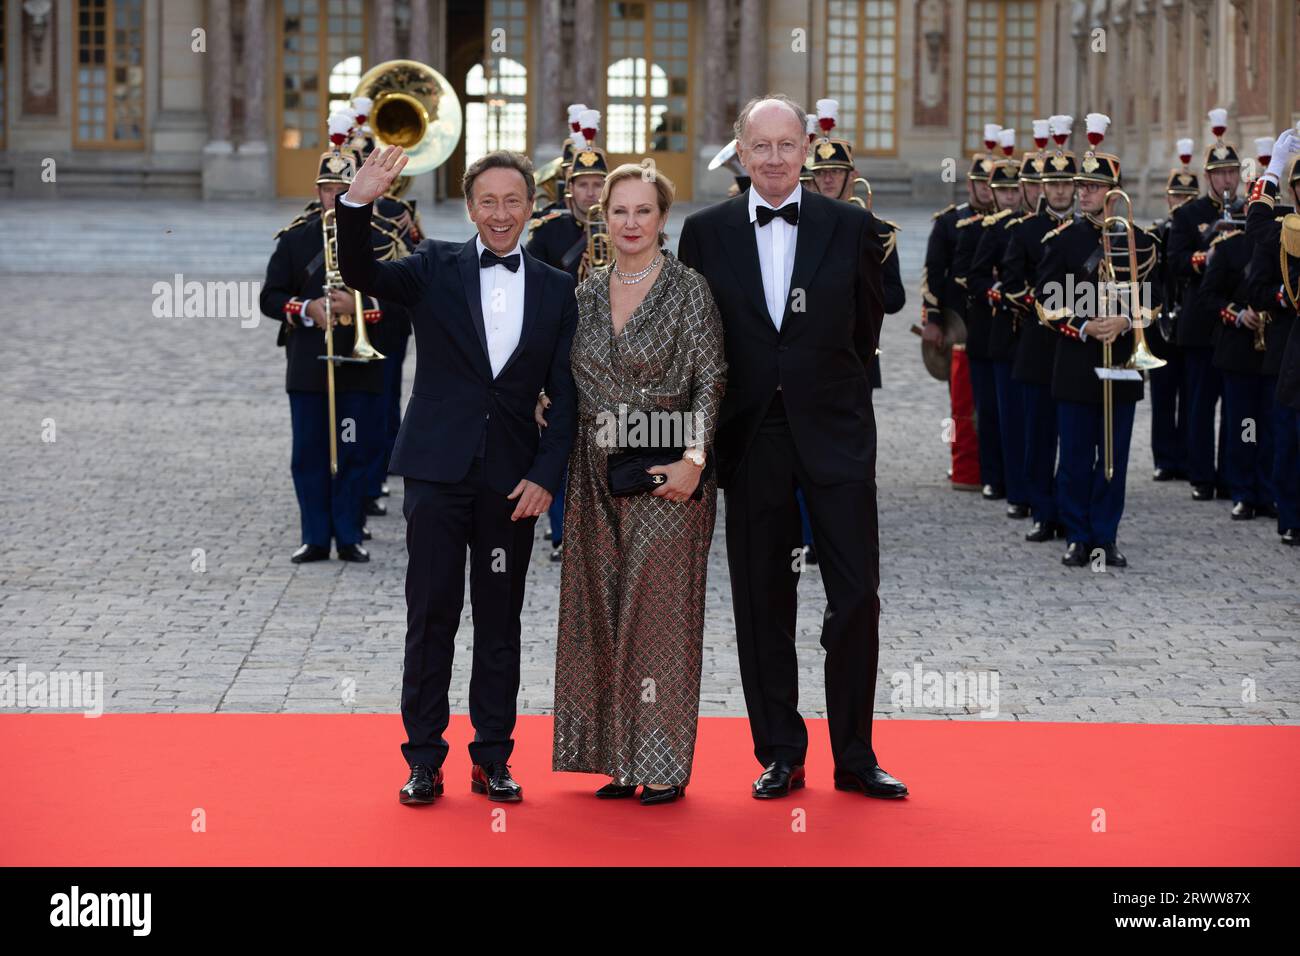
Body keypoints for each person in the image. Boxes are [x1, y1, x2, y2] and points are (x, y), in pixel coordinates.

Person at [677, 94, 908, 800]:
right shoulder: (705, 232)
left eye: (787, 145)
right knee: (761, 600)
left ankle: (856, 756)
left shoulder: (853, 228)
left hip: (836, 435)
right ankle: (780, 750)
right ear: (740, 154)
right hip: (751, 438)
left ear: (807, 150)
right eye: (760, 147)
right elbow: (698, 339)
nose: (774, 159)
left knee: (857, 598)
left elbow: (866, 327)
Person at [335, 145, 578, 806]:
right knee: (431, 616)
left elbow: (569, 395)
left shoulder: (558, 288)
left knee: (500, 625)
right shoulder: (434, 266)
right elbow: (358, 269)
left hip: (512, 485)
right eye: (487, 201)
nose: (500, 214)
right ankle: (423, 759)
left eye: (512, 201)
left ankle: (492, 758)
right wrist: (357, 202)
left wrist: (546, 475)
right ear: (469, 207)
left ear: (531, 207)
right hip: (437, 475)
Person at [548, 163, 726, 806]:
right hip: (592, 467)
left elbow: (712, 379)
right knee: (597, 609)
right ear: (604, 218)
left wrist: (696, 461)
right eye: (618, 211)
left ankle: (661, 761)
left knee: (657, 617)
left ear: (662, 218)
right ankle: (613, 758)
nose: (629, 223)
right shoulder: (586, 291)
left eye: (642, 211)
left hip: (663, 471)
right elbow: (564, 371)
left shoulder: (688, 290)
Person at [259, 136, 399, 564]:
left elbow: (401, 302)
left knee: (352, 450)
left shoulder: (378, 239)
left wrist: (359, 309)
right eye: (328, 190)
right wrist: (307, 308)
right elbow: (270, 297)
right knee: (310, 453)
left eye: (344, 190)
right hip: (308, 364)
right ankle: (315, 535)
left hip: (359, 365)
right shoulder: (295, 240)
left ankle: (350, 533)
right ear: (317, 192)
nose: (336, 198)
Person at [1034, 113, 1160, 568]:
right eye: (1080, 185)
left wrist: (1125, 323)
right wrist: (1087, 324)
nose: (1083, 192)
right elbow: (1045, 302)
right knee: (1074, 457)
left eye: (1092, 186)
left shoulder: (1140, 240)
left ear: (1113, 190)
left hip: (1123, 362)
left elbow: (1156, 299)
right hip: (1076, 361)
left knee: (1114, 459)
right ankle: (1077, 534)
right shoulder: (1061, 241)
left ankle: (1106, 535)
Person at [528, 107, 610, 562]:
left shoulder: (624, 224)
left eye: (599, 184)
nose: (591, 192)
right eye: (583, 184)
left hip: (610, 351)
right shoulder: (547, 232)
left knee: (606, 442)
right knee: (560, 438)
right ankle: (562, 531)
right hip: (562, 347)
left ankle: (599, 528)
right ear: (569, 187)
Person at [1000, 117, 1077, 542]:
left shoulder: (1089, 230)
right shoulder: (1025, 230)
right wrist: (1045, 303)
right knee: (1039, 433)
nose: (1062, 190)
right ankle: (1042, 510)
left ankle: (1069, 509)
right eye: (1054, 183)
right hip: (1038, 343)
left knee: (1075, 435)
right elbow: (1010, 282)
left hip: (1077, 346)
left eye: (1068, 183)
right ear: (1042, 187)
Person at [1171, 108, 1244, 502]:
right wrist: (1206, 255)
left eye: (1232, 172)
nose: (1227, 179)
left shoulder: (1251, 212)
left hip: (1234, 320)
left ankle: (1232, 474)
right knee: (1200, 403)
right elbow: (1175, 263)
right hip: (1200, 320)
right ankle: (1201, 474)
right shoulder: (1189, 214)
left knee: (1235, 408)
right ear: (1209, 178)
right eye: (1220, 174)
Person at [1203, 145, 1275, 522]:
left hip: (1272, 353)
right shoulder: (1230, 248)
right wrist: (1236, 315)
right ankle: (1243, 489)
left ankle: (1268, 490)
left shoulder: (1280, 246)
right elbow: (1209, 296)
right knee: (1245, 426)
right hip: (1240, 352)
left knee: (1272, 427)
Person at [922, 135, 998, 492]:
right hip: (959, 327)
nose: (986, 189)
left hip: (998, 327)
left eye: (991, 183)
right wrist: (933, 321)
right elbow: (933, 275)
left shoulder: (1007, 223)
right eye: (980, 182)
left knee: (994, 403)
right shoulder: (950, 223)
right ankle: (964, 465)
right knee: (962, 405)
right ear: (969, 184)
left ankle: (995, 466)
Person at [968, 139, 1032, 518]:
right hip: (999, 329)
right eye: (1004, 190)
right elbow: (972, 278)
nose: (1010, 197)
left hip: (1034, 331)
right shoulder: (989, 230)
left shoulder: (1033, 228)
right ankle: (997, 476)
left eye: (1016, 189)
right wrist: (1000, 291)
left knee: (1029, 415)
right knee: (997, 412)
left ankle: (1026, 481)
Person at [1245, 128, 1300, 546]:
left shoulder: (1287, 227)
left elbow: (1256, 218)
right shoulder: (1289, 227)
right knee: (1288, 436)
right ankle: (1292, 515)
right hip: (1289, 347)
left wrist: (1274, 169)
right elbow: (1259, 287)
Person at [1147, 141, 1199, 483]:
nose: (1181, 204)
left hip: (1190, 322)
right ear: (1168, 200)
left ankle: (1190, 457)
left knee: (1192, 396)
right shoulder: (1156, 234)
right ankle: (1166, 458)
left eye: (1188, 199)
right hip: (1162, 321)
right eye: (1177, 198)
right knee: (1164, 393)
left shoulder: (1201, 235)